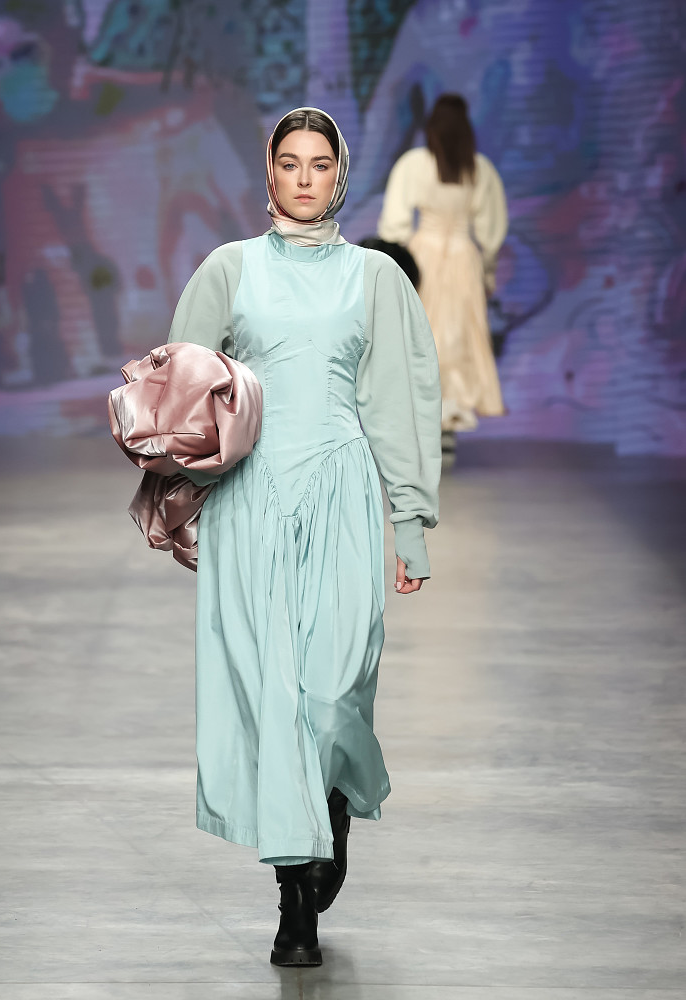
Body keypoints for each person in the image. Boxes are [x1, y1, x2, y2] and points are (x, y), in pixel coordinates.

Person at [166, 107, 441, 967]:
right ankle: (294, 900)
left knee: (332, 693)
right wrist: (179, 495)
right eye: (289, 162)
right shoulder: (229, 268)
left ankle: (330, 808)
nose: (304, 178)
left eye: (319, 163)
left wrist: (409, 521)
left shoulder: (375, 277)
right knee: (273, 700)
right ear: (269, 174)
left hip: (342, 497)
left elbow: (399, 401)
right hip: (249, 502)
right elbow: (180, 391)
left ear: (339, 175)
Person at [378, 93, 508, 458]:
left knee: (425, 338)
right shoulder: (479, 169)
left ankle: (430, 422)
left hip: (425, 258)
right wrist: (487, 271)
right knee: (456, 339)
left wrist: (396, 265)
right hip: (463, 259)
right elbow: (492, 229)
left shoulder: (416, 165)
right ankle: (446, 423)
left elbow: (393, 225)